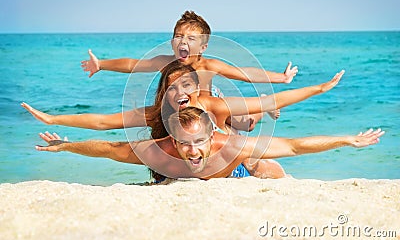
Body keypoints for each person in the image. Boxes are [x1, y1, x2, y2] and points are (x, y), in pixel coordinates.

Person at [22, 61, 344, 179]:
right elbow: (104, 125)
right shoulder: (154, 114)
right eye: (173, 87)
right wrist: (54, 120)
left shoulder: (210, 104)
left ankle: (254, 129)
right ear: (165, 91)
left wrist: (318, 88)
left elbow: (269, 99)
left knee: (258, 161)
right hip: (176, 165)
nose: (181, 93)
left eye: (187, 85)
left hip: (220, 161)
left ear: (196, 87)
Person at [81, 11, 299, 130]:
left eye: (191, 39)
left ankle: (262, 106)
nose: (183, 42)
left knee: (247, 125)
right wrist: (101, 65)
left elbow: (243, 73)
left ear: (203, 47)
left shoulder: (209, 65)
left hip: (212, 103)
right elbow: (132, 65)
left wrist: (281, 78)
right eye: (178, 36)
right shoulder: (164, 62)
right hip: (185, 107)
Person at [35, 107, 385, 180]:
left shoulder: (230, 145)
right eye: (184, 143)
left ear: (211, 136)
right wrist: (66, 146)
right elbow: (110, 149)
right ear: (173, 139)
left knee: (266, 167)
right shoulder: (162, 150)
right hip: (176, 179)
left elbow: (293, 145)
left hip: (234, 176)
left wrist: (345, 139)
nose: (192, 150)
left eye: (199, 141)